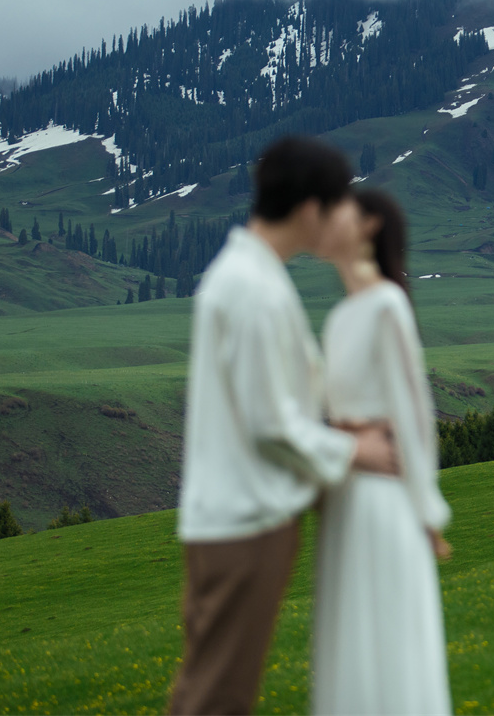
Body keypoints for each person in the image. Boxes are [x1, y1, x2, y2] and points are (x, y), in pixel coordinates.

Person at [169, 138, 400, 716]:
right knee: (219, 694)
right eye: (335, 205)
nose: (343, 219)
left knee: (213, 684)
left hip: (234, 516)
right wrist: (356, 451)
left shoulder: (246, 276)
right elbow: (271, 424)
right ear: (308, 210)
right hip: (245, 522)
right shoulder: (254, 290)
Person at [313, 188, 453, 716]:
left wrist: (426, 510)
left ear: (369, 225)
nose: (326, 218)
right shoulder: (339, 318)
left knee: (387, 640)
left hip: (381, 496)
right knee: (349, 643)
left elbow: (413, 413)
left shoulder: (387, 306)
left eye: (340, 209)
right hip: (346, 495)